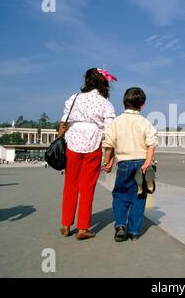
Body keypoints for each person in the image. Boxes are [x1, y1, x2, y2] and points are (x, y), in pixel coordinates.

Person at [58, 68, 117, 240]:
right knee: (87, 187)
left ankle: (66, 224)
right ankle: (83, 228)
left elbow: (64, 122)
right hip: (93, 143)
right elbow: (109, 132)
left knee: (70, 184)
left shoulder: (74, 98)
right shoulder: (105, 103)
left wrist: (60, 140)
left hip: (73, 142)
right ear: (104, 83)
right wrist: (109, 156)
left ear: (87, 81)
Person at [103, 87, 158, 242]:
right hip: (142, 162)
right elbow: (152, 143)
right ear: (142, 105)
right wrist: (147, 162)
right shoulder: (145, 122)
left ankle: (120, 225)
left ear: (123, 103)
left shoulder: (117, 122)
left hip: (124, 163)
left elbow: (108, 144)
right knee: (139, 195)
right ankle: (134, 231)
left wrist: (108, 162)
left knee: (120, 194)